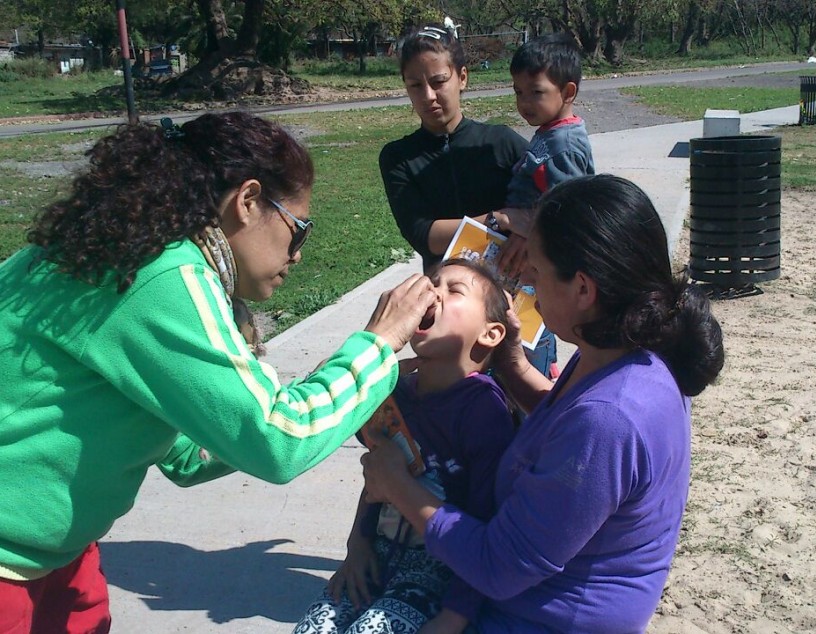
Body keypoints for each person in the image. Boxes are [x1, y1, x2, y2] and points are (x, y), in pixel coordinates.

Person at [0, 112, 437, 633]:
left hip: (52, 554)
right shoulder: (162, 275)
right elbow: (279, 442)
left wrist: (315, 395)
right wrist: (380, 344)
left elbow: (187, 454)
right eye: (299, 230)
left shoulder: (130, 250)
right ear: (248, 201)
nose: (298, 256)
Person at [360, 174, 725, 634]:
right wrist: (512, 362)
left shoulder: (612, 418)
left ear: (583, 289)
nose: (525, 281)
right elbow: (561, 421)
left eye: (535, 269)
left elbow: (497, 566)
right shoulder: (625, 352)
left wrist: (398, 486)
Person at [295, 259, 516, 634]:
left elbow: (486, 517)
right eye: (432, 282)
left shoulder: (484, 411)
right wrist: (357, 545)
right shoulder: (393, 390)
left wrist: (455, 616)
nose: (432, 293)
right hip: (376, 556)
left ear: (490, 334)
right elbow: (377, 473)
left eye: (453, 290)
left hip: (439, 571)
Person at [378, 24, 527, 274]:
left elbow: (555, 198)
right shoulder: (398, 157)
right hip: (447, 290)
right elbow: (423, 235)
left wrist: (527, 233)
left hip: (511, 287)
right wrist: (498, 219)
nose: (428, 96)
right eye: (415, 85)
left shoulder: (500, 142)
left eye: (438, 81)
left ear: (462, 78)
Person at [493, 32, 597, 378]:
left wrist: (525, 228)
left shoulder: (563, 144)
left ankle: (538, 380)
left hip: (539, 262)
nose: (525, 102)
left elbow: (568, 211)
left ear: (568, 92)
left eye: (536, 92)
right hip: (530, 259)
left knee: (529, 327)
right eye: (518, 92)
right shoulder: (551, 131)